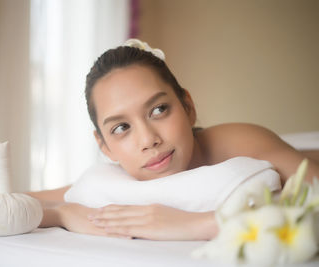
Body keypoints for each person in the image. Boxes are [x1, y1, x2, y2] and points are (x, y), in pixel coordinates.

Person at [27, 40, 319, 241]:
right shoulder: (111, 183)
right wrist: (62, 214)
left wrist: (192, 224)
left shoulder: (240, 142)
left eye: (158, 110)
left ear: (187, 107)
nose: (148, 140)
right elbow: (12, 201)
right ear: (104, 146)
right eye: (121, 128)